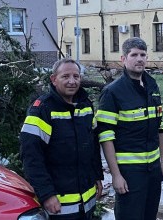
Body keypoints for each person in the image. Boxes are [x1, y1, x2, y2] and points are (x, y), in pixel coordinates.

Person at [19, 58, 103, 220]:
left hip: (87, 200)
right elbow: (31, 156)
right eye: (65, 76)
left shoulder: (85, 105)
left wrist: (97, 175)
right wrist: (46, 194)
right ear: (54, 79)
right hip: (60, 204)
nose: (72, 81)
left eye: (76, 76)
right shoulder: (42, 110)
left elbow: (92, 145)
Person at [95, 37, 163, 219]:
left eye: (143, 54)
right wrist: (116, 175)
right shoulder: (112, 92)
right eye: (134, 54)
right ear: (123, 59)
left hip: (153, 170)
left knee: (149, 215)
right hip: (129, 172)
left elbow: (159, 125)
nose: (139, 59)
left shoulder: (152, 84)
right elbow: (105, 136)